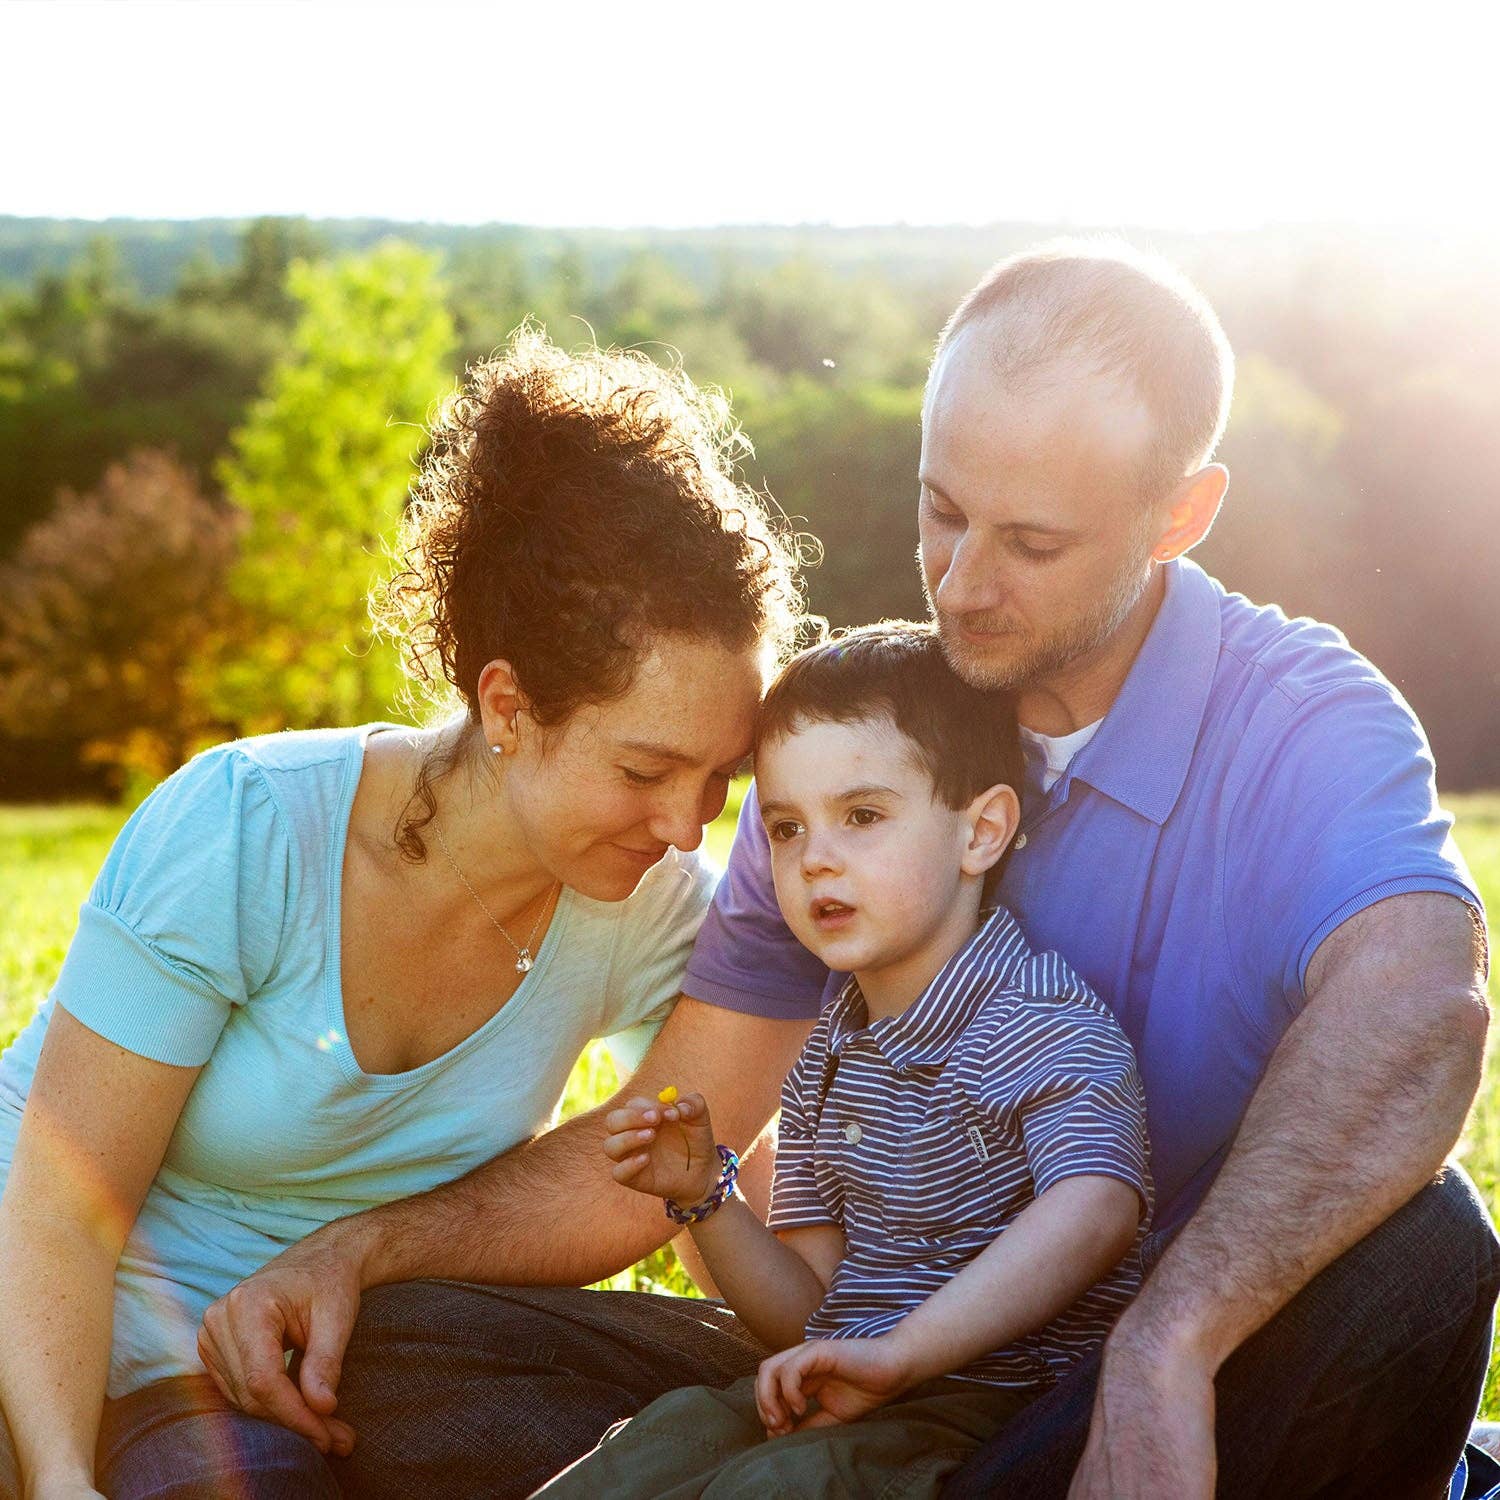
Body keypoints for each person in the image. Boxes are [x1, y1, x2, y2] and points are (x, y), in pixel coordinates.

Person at [201, 242, 1493, 1500]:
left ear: (1180, 515)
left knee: (1426, 1259)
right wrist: (363, 1250)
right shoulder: (849, 754)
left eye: (1032, 544)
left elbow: (1424, 1008)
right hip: (880, 1385)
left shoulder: (1304, 716)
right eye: (940, 512)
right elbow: (668, 1132)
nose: (962, 585)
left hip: (1193, 1376)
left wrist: (1170, 1348)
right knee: (404, 1355)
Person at [0, 328, 816, 1498]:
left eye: (718, 781)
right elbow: (57, 1215)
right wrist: (60, 1480)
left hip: (267, 1383)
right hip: (35, 1322)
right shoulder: (246, 831)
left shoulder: (643, 906)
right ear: (509, 705)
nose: (688, 827)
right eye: (644, 771)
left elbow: (699, 1156)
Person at [534, 622, 1152, 1499]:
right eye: (786, 828)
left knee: (775, 1486)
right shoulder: (831, 1050)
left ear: (981, 834)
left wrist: (901, 1353)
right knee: (658, 1443)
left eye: (862, 816)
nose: (815, 857)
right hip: (843, 1393)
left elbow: (1097, 1212)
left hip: (993, 1411)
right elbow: (808, 1312)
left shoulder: (1038, 1019)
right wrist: (705, 1195)